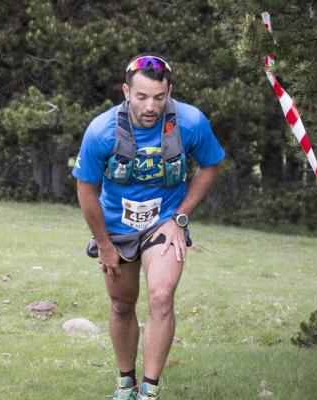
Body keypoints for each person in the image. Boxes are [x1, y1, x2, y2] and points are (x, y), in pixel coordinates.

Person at [73, 54, 225, 400]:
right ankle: (125, 382)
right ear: (126, 91)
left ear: (168, 90)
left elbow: (211, 165)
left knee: (161, 297)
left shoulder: (190, 122)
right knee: (121, 304)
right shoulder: (102, 130)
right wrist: (105, 245)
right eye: (141, 97)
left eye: (159, 97)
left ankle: (149, 390)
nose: (150, 106)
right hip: (116, 227)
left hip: (164, 223)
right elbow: (86, 190)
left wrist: (180, 218)